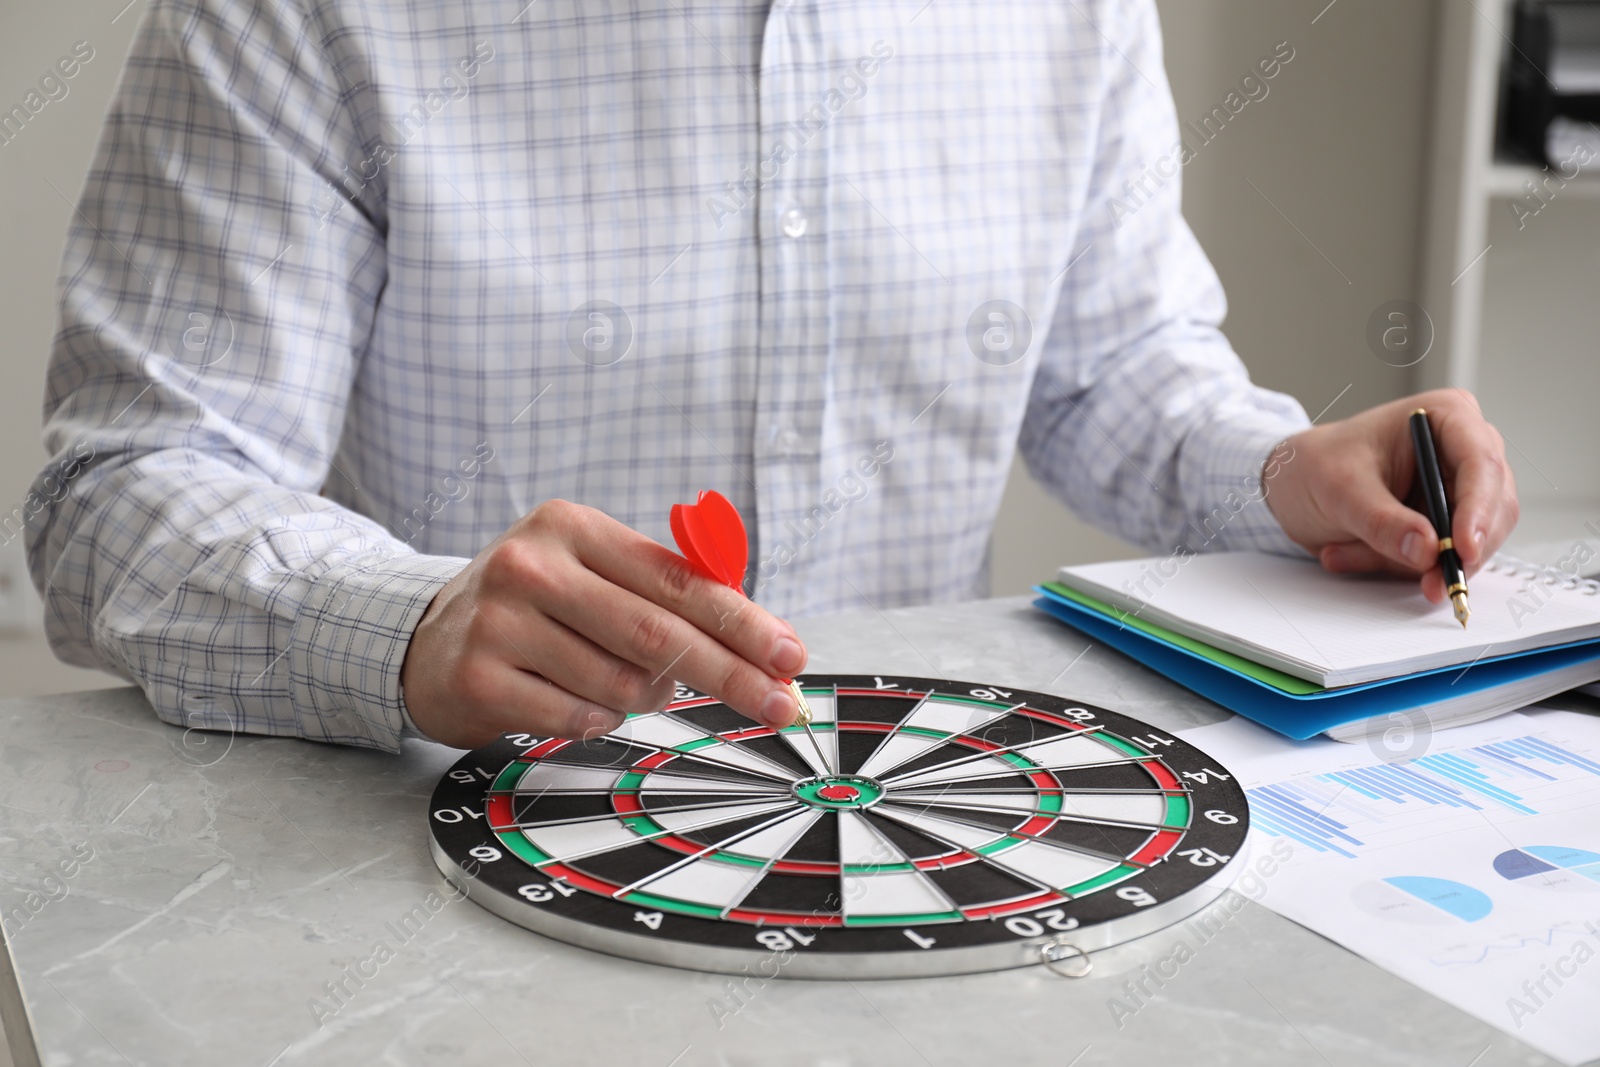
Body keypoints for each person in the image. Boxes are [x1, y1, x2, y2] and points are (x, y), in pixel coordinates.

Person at [26, 0, 1517, 753]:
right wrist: (401, 624)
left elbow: (1110, 368)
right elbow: (122, 492)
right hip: (458, 849)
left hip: (924, 836)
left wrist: (1283, 473)